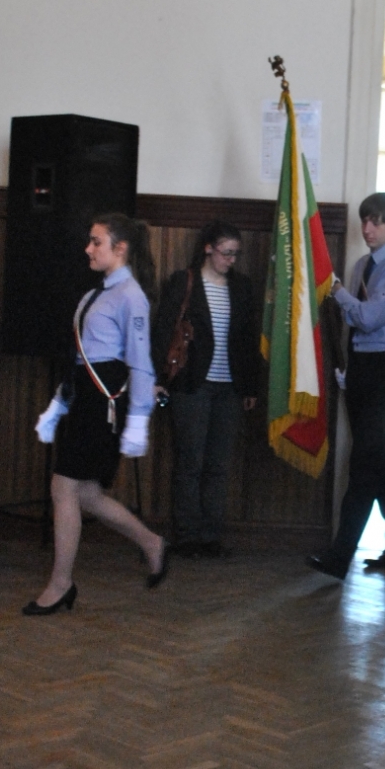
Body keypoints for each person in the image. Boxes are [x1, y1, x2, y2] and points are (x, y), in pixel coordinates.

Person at [25, 212, 166, 614]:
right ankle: (152, 543)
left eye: (96, 242)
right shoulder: (96, 294)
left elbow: (140, 362)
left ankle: (61, 584)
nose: (88, 249)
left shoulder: (131, 297)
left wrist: (137, 422)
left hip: (105, 404)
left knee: (64, 488)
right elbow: (82, 359)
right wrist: (58, 405)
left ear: (120, 249)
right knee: (84, 493)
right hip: (85, 399)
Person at [308, 191, 385, 579]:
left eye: (376, 222)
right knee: (382, 458)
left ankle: (340, 555)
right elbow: (356, 321)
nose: (368, 228)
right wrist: (352, 307)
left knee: (364, 461)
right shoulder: (360, 266)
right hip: (361, 365)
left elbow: (369, 318)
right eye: (365, 221)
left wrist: (339, 293)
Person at [153, 219, 258, 557]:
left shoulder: (241, 287)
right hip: (191, 384)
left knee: (218, 465)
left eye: (236, 254)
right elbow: (163, 330)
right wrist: (157, 379)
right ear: (208, 248)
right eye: (226, 252)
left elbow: (248, 339)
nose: (231, 260)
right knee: (190, 463)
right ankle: (187, 537)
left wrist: (250, 386)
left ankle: (211, 537)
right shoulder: (184, 282)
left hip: (230, 387)